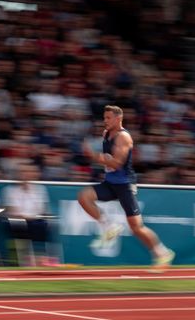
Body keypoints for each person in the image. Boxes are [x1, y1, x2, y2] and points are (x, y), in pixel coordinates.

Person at [80, 105, 174, 271]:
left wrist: (94, 156)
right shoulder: (106, 134)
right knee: (84, 197)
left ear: (118, 119)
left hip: (125, 185)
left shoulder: (124, 137)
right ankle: (108, 226)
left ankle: (162, 253)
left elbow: (117, 163)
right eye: (104, 118)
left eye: (108, 118)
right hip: (110, 183)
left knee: (136, 227)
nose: (105, 121)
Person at [2, 162, 53, 266]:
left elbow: (41, 209)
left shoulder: (40, 189)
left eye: (29, 172)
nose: (25, 174)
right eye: (23, 172)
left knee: (41, 225)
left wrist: (32, 217)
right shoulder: (9, 190)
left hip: (35, 221)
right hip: (17, 222)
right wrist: (25, 217)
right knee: (20, 225)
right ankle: (23, 260)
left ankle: (39, 259)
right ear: (18, 174)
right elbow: (12, 210)